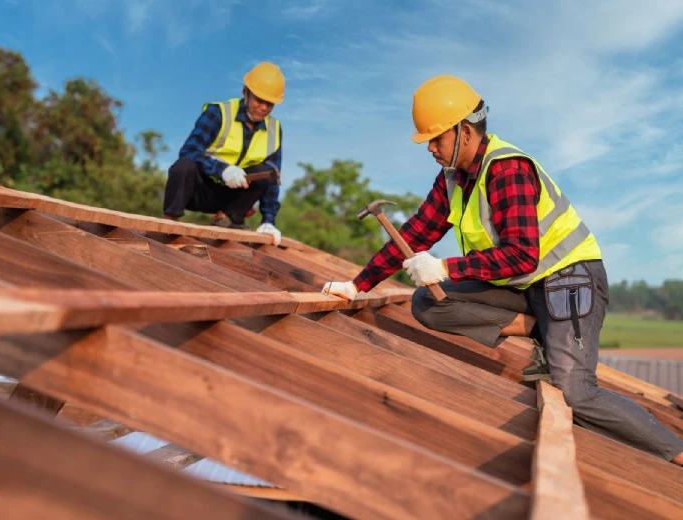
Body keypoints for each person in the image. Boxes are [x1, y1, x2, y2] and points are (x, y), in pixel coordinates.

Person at [322, 74, 683, 464]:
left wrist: (444, 265)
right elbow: (416, 233)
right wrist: (356, 285)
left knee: (575, 391)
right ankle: (544, 331)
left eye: (436, 137)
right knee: (428, 301)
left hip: (570, 280)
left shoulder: (506, 169)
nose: (429, 147)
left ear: (464, 131)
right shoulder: (451, 180)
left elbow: (522, 257)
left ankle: (676, 452)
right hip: (527, 288)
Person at [163, 62, 284, 245]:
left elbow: (273, 176)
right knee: (184, 166)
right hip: (199, 190)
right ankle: (169, 221)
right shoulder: (218, 113)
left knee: (266, 172)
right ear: (246, 92)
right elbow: (189, 150)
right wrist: (222, 170)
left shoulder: (274, 129)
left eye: (270, 103)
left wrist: (269, 220)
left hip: (232, 200)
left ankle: (227, 219)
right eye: (259, 100)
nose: (264, 107)